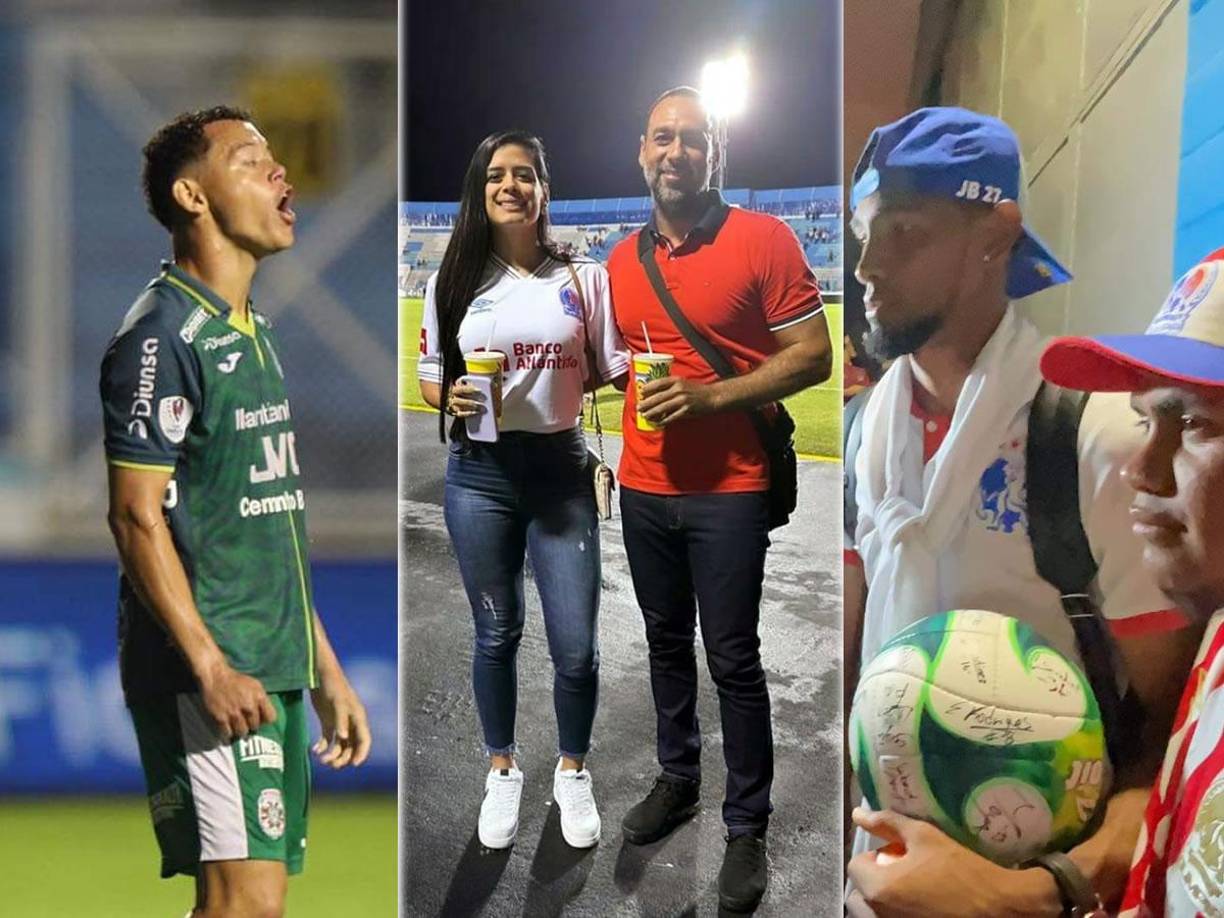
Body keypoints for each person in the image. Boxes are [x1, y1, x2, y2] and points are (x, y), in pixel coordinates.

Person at [843, 107, 1202, 914]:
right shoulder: (868, 427)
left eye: (902, 232)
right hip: (881, 883)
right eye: (866, 232)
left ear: (995, 236)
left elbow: (1165, 749)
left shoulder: (1094, 434)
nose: (866, 265)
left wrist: (1043, 892)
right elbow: (856, 674)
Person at [100, 106, 371, 918]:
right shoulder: (160, 338)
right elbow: (134, 518)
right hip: (215, 669)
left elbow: (269, 521)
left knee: (246, 904)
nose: (281, 174)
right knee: (245, 905)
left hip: (271, 662)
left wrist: (322, 667)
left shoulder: (254, 334)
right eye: (252, 161)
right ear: (193, 195)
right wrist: (210, 666)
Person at [606, 86, 832, 913]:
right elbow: (618, 360)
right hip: (643, 485)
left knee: (732, 658)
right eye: (663, 138)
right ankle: (677, 780)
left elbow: (813, 356)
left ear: (714, 155)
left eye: (692, 140)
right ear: (642, 150)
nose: (676, 153)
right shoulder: (620, 262)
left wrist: (712, 398)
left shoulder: (763, 240)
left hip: (730, 491)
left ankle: (746, 826)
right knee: (665, 643)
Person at [416, 130, 629, 851]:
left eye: (526, 175)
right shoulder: (452, 280)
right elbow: (428, 377)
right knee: (496, 632)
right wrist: (447, 399)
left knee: (577, 646)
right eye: (497, 175)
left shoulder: (584, 279)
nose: (511, 185)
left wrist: (665, 383)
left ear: (544, 189)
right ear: (481, 191)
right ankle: (502, 769)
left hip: (561, 474)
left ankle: (573, 769)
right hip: (479, 477)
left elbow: (614, 368)